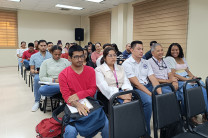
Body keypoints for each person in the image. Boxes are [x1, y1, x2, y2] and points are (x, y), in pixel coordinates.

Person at [59, 45, 109, 138]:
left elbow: (92, 90)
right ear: (69, 58)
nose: (80, 59)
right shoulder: (63, 74)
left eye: (82, 56)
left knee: (107, 125)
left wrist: (78, 95)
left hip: (90, 102)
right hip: (72, 105)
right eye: (76, 57)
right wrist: (77, 104)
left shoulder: (90, 70)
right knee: (70, 131)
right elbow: (66, 97)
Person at [122, 41, 162, 135]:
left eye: (142, 49)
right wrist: (151, 94)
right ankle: (145, 132)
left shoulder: (146, 62)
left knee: (166, 95)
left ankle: (164, 126)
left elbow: (153, 78)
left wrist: (160, 94)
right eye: (138, 49)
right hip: (136, 89)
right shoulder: (127, 63)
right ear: (132, 50)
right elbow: (136, 84)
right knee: (148, 101)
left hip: (148, 85)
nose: (141, 51)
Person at [165, 43, 208, 122]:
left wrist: (194, 77)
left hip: (187, 78)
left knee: (202, 85)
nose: (175, 51)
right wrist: (187, 80)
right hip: (179, 79)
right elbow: (173, 73)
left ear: (180, 50)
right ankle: (190, 114)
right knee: (188, 89)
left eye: (176, 50)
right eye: (173, 50)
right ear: (170, 51)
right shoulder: (169, 59)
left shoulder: (182, 58)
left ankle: (205, 112)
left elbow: (187, 71)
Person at [148, 43, 194, 114]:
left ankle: (186, 114)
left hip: (169, 83)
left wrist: (174, 81)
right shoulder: (149, 62)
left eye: (162, 50)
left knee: (187, 88)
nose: (161, 52)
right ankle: (174, 119)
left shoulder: (165, 61)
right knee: (172, 95)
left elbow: (170, 73)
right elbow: (152, 78)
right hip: (160, 85)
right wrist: (168, 81)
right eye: (158, 51)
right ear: (152, 53)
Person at [96, 47, 133, 114]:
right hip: (107, 96)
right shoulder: (99, 70)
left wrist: (128, 94)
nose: (113, 57)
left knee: (132, 105)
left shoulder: (120, 67)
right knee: (122, 109)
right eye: (110, 55)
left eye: (114, 55)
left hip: (122, 92)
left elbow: (126, 82)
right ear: (104, 58)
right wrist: (121, 96)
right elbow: (104, 88)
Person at [30, 40, 52, 112]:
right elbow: (32, 69)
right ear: (38, 46)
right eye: (41, 46)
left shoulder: (51, 55)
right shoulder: (33, 56)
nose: (43, 47)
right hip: (38, 74)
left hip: (50, 74)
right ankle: (37, 101)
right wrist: (36, 71)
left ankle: (58, 100)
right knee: (36, 79)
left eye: (44, 45)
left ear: (47, 46)